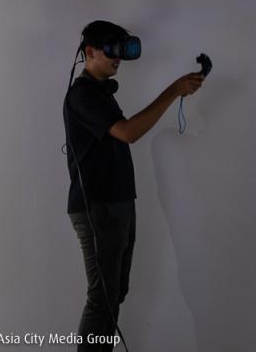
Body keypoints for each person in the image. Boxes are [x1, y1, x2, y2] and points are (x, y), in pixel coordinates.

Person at [63, 20, 204, 352]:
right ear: (89, 52)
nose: (118, 58)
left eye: (120, 50)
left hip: (118, 203)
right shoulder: (83, 94)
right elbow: (128, 132)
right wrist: (173, 90)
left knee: (115, 294)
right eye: (110, 50)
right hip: (98, 206)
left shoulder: (100, 93)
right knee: (102, 298)